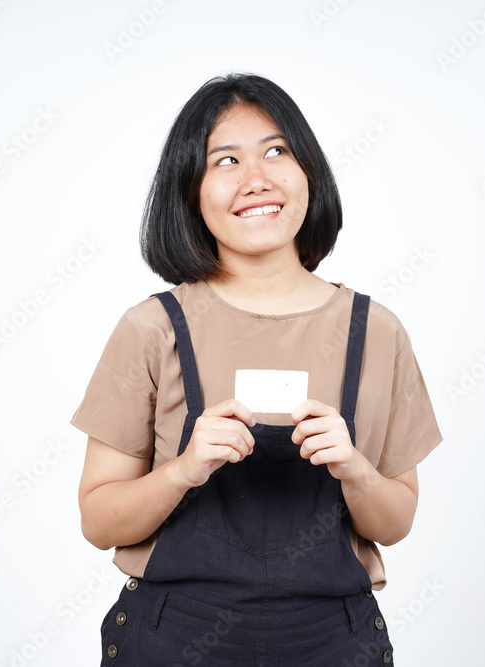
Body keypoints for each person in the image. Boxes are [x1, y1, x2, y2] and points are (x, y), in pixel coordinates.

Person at [71, 72, 443, 666]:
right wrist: (185, 469)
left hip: (332, 643)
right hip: (173, 641)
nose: (256, 179)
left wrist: (356, 471)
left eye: (277, 151)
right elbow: (99, 520)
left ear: (309, 174)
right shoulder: (152, 328)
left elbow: (396, 522)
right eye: (225, 160)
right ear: (189, 190)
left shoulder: (375, 331)